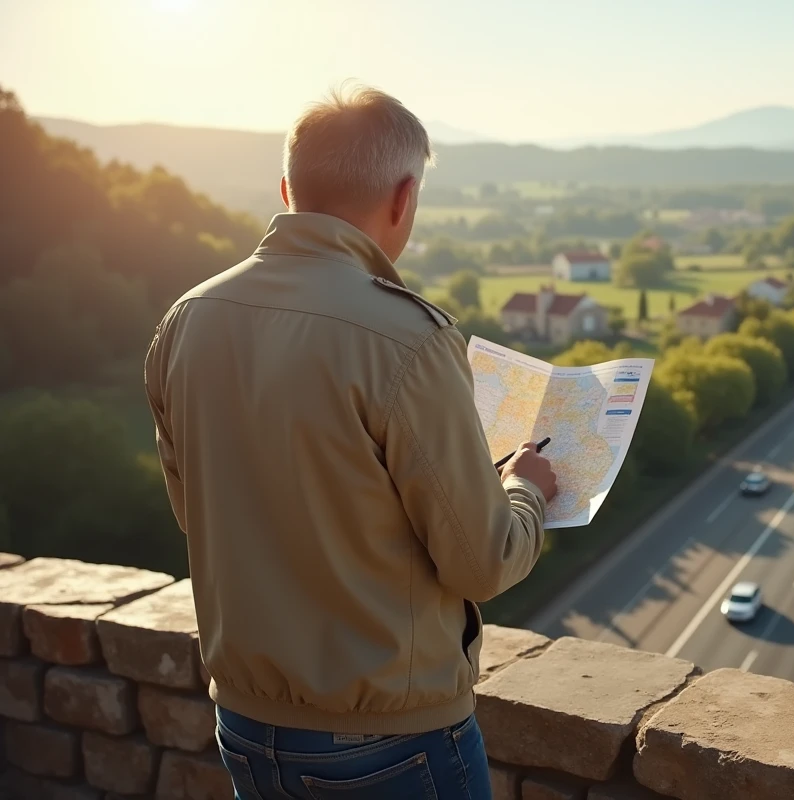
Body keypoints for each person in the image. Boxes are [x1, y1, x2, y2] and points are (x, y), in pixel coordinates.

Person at [143, 83, 557, 799]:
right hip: (391, 737)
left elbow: (201, 512)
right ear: (403, 198)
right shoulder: (408, 338)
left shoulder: (188, 319)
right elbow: (483, 563)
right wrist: (526, 491)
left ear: (286, 188)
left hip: (243, 720)